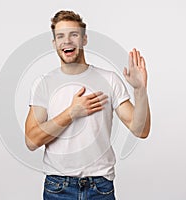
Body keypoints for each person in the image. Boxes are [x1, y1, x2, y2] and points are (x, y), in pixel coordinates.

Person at [25, 10, 151, 200]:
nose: (67, 41)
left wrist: (140, 90)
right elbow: (31, 141)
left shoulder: (109, 79)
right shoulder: (43, 84)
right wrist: (71, 113)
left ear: (84, 39)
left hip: (100, 187)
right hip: (58, 187)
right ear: (54, 43)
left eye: (73, 35)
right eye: (60, 36)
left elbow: (140, 130)